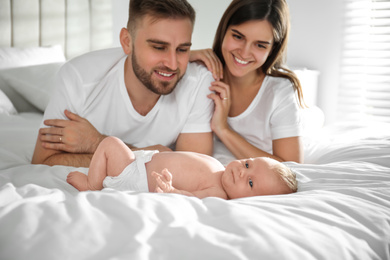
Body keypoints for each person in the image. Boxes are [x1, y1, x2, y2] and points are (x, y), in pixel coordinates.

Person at [31, 0, 215, 167]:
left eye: (182, 49)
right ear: (127, 42)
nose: (173, 64)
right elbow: (43, 161)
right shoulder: (78, 78)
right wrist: (149, 154)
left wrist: (98, 142)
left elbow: (192, 168)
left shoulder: (198, 82)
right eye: (159, 47)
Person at [189, 0, 306, 165]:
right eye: (238, 36)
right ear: (224, 31)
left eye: (260, 45)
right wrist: (184, 56)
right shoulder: (202, 73)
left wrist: (223, 129)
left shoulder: (279, 92)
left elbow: (292, 167)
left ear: (272, 49)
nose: (244, 53)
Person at [67, 136, 298, 200]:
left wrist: (171, 191)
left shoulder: (217, 192)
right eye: (247, 164)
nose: (241, 171)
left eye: (250, 182)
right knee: (113, 149)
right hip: (143, 161)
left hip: (136, 176)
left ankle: (91, 185)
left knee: (109, 144)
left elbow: (190, 197)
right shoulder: (218, 166)